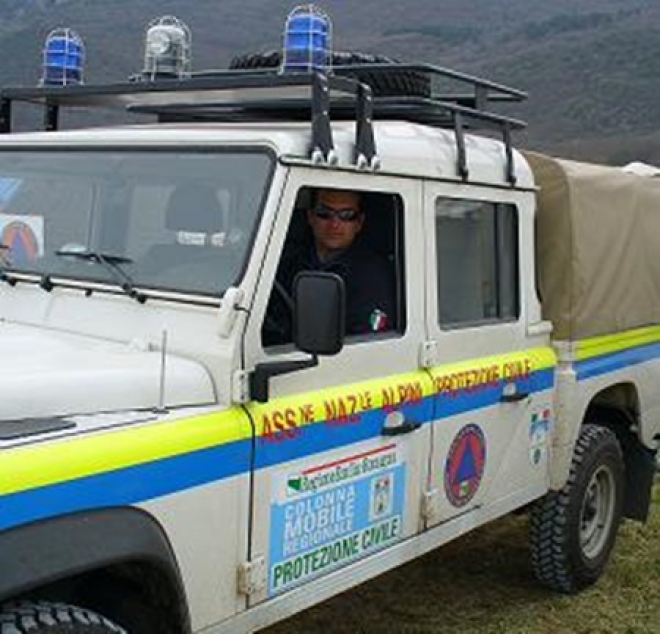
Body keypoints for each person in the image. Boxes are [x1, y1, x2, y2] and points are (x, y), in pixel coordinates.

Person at [263, 188, 395, 346]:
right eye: (324, 213)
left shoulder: (374, 276)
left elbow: (367, 344)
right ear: (310, 217)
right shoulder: (285, 263)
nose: (334, 224)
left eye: (347, 215)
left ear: (359, 223)